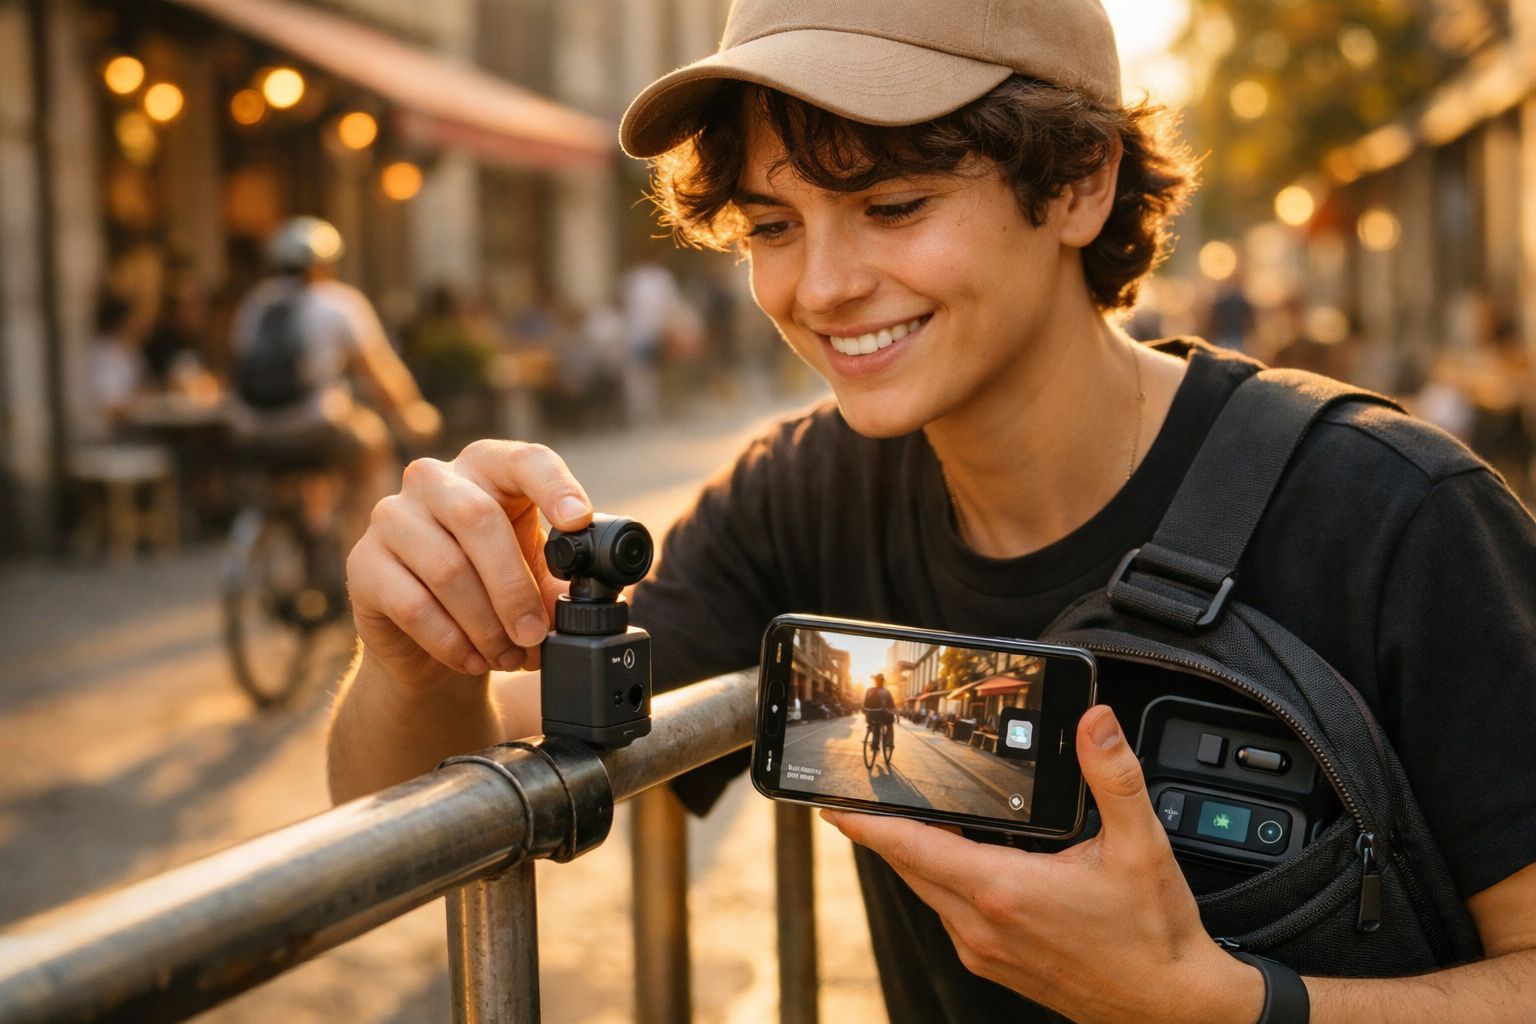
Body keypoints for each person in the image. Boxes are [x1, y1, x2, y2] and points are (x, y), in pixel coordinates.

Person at [328, 1, 1536, 1020]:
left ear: (1077, 181)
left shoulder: (1396, 513)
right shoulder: (807, 493)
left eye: (893, 206)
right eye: (771, 225)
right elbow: (427, 810)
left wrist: (1225, 1004)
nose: (822, 285)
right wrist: (412, 649)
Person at [229, 216, 439, 534]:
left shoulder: (256, 304)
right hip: (314, 427)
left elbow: (236, 363)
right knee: (372, 447)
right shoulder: (339, 303)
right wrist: (411, 412)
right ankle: (378, 537)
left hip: (251, 430)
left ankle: (309, 522)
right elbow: (378, 371)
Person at [862, 673, 896, 756]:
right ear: (883, 682)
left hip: (870, 715)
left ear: (875, 682)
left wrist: (866, 711)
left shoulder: (869, 690)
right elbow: (892, 705)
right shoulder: (886, 692)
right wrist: (895, 714)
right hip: (882, 714)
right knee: (890, 724)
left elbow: (865, 703)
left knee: (875, 725)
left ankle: (875, 744)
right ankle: (889, 743)